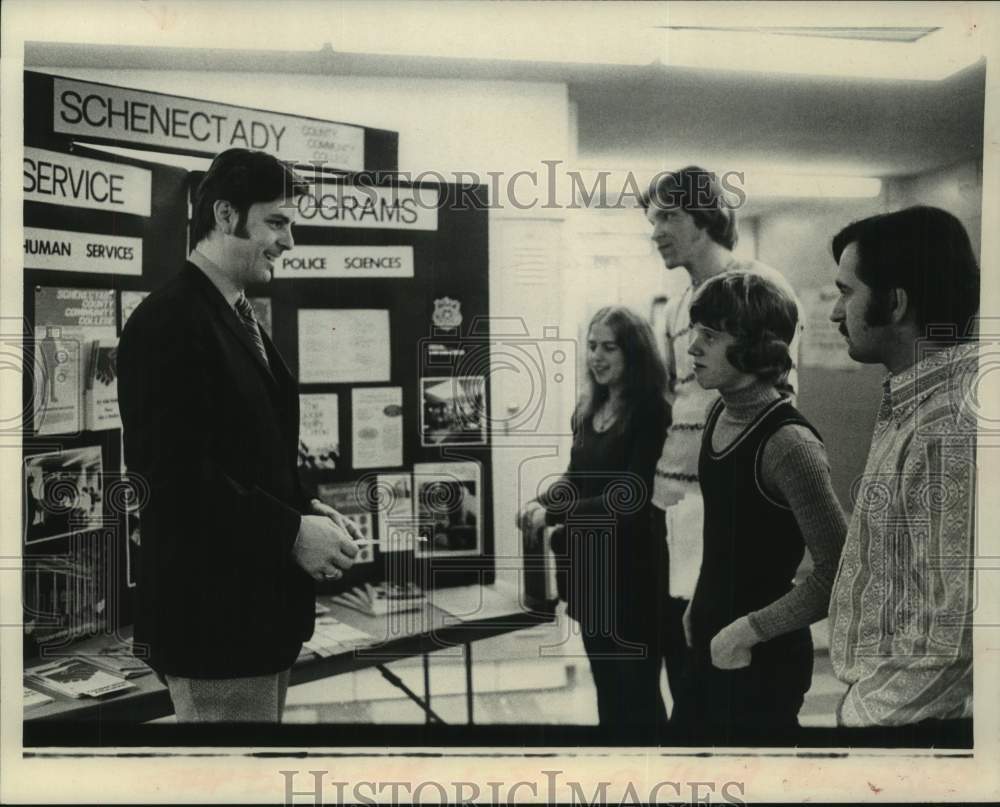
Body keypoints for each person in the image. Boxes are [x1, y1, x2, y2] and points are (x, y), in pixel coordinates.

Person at [118, 148, 363, 723]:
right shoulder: (169, 320)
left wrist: (308, 511)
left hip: (252, 623)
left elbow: (242, 455)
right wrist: (290, 533)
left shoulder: (229, 312)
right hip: (214, 630)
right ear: (226, 216)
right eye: (276, 222)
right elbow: (173, 479)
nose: (289, 242)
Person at [640, 166, 802, 711]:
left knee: (722, 676)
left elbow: (778, 396)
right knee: (681, 664)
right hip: (676, 504)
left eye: (668, 216)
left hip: (725, 504)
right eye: (652, 217)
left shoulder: (758, 286)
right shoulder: (679, 303)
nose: (656, 230)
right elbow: (679, 401)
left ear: (706, 217)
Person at [667, 272, 847, 745]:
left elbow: (839, 573)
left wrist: (746, 632)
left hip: (760, 658)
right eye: (694, 333)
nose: (692, 350)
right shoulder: (717, 414)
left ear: (753, 346)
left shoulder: (789, 444)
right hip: (712, 639)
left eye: (709, 336)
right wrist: (701, 607)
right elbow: (729, 536)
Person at [827, 206, 979, 746]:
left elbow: (957, 634)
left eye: (846, 292)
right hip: (902, 715)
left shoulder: (951, 426)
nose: (835, 314)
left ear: (895, 303)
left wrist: (861, 720)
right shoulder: (916, 400)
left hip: (918, 729)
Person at [518, 306, 669, 740]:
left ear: (634, 353)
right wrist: (539, 501)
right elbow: (575, 478)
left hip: (634, 578)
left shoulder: (653, 413)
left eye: (609, 347)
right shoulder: (587, 409)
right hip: (589, 575)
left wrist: (555, 513)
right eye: (591, 346)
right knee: (608, 692)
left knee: (638, 696)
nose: (596, 357)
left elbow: (631, 498)